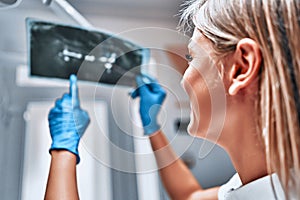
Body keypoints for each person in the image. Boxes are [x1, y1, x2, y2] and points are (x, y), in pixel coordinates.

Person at [45, 0, 300, 199]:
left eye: (192, 58)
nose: (183, 79)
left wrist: (63, 149)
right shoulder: (271, 184)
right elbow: (189, 196)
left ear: (241, 68)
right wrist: (152, 126)